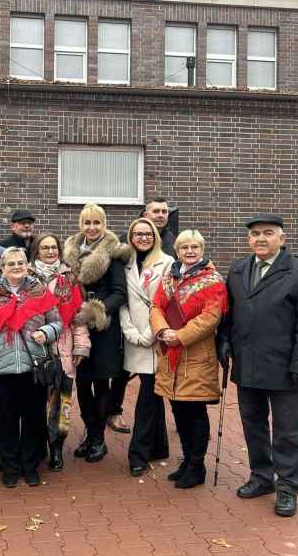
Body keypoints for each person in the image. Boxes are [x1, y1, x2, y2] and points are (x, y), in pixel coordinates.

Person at [217, 214, 298, 517]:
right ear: (248, 240)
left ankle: (288, 486)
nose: (260, 239)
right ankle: (262, 477)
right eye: (254, 234)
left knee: (288, 431)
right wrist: (223, 342)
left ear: (282, 239)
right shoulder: (237, 269)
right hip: (246, 363)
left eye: (267, 233)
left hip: (284, 366)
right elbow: (229, 314)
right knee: (254, 425)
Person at [150, 230, 228, 489]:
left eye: (195, 246)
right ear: (177, 250)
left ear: (202, 249)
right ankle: (186, 460)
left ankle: (197, 465)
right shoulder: (169, 277)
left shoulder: (212, 280)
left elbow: (211, 317)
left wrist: (179, 336)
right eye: (184, 247)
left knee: (194, 411)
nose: (190, 251)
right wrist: (162, 331)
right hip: (170, 355)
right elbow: (156, 307)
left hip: (195, 355)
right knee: (178, 410)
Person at [0, 247, 62, 488]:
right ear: (2, 268)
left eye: (20, 262)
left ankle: (30, 467)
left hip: (33, 367)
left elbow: (58, 322)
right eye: (11, 263)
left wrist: (45, 332)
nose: (16, 267)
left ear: (27, 264)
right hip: (2, 369)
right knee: (5, 423)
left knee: (33, 420)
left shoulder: (39, 291)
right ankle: (9, 468)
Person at [107, 197, 179, 433]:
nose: (161, 215)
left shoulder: (172, 243)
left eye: (164, 212)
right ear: (144, 214)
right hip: (131, 324)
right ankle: (114, 411)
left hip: (157, 325)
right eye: (155, 211)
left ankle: (167, 426)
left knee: (156, 379)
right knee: (122, 373)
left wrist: (155, 327)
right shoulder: (126, 247)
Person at [64, 203, 128, 463]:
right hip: (76, 326)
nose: (91, 228)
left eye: (96, 223)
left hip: (102, 328)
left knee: (101, 383)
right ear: (81, 225)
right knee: (81, 384)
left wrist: (95, 311)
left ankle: (98, 439)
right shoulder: (70, 252)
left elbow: (119, 293)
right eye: (87, 223)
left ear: (104, 224)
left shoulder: (112, 253)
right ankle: (91, 435)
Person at [29, 233, 90, 472]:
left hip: (63, 347)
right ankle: (37, 446)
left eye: (54, 247)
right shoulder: (26, 276)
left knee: (61, 403)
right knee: (34, 402)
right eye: (45, 248)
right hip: (34, 349)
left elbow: (79, 315)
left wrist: (81, 345)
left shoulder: (70, 279)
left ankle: (56, 447)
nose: (50, 251)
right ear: (36, 251)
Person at [119, 218, 172, 477]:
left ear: (155, 236)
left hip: (156, 336)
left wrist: (152, 332)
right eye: (137, 234)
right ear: (130, 237)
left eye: (147, 234)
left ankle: (137, 453)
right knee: (152, 393)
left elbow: (168, 301)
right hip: (134, 337)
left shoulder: (168, 262)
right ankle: (159, 446)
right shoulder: (124, 263)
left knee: (148, 396)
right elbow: (121, 300)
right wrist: (130, 331)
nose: (142, 238)